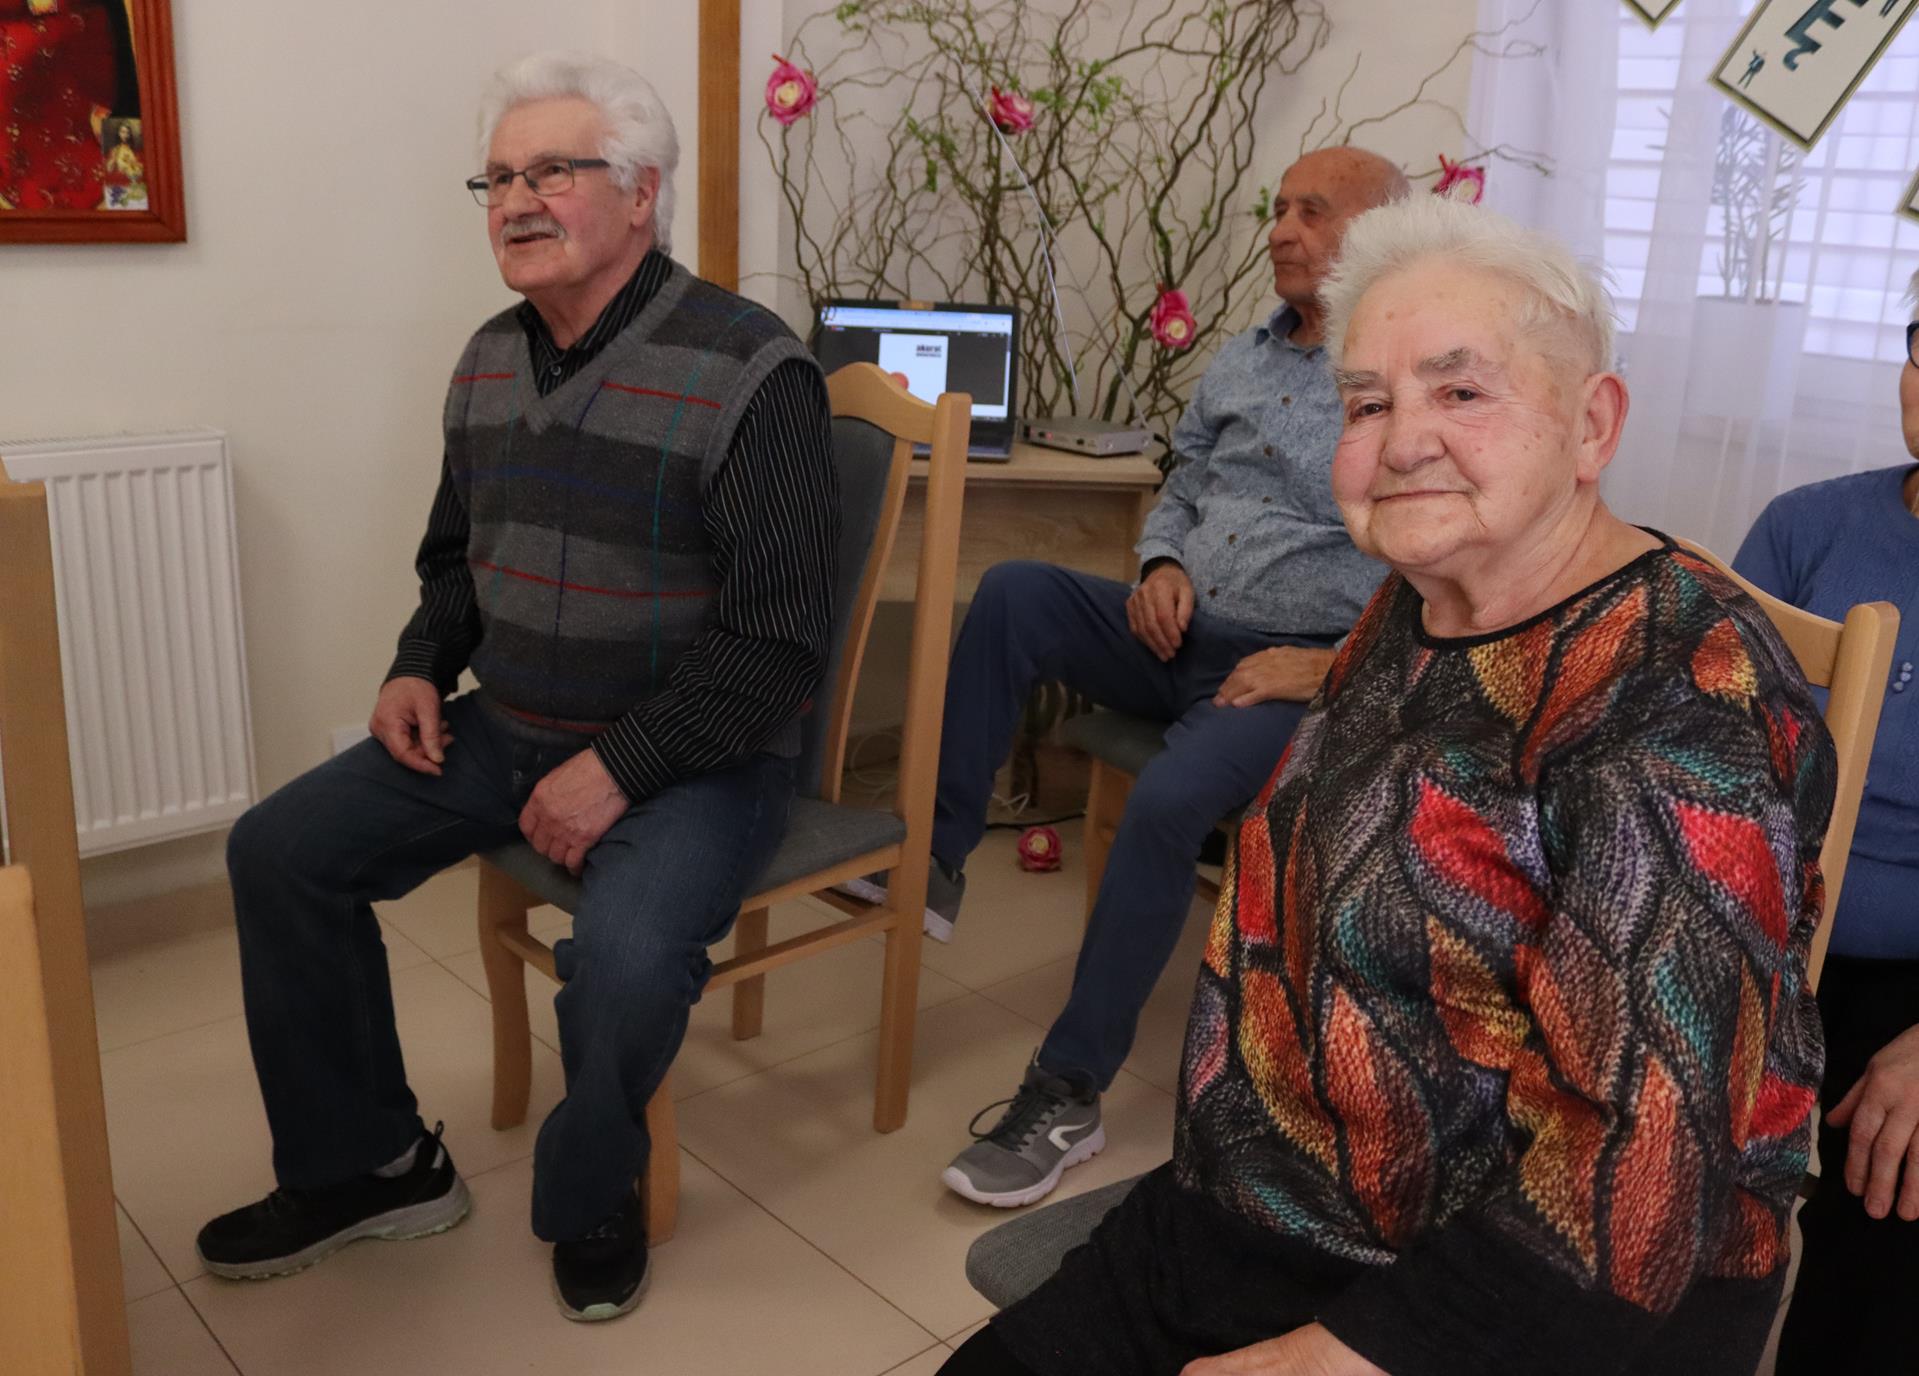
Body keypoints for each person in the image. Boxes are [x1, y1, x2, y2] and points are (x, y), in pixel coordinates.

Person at [941, 196, 1834, 1376]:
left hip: (1518, 1301)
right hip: (1260, 1209)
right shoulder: (1416, 605)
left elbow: (1644, 1169)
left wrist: (1344, 1353)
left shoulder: (1683, 696)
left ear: (1590, 424)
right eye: (1366, 403)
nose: (1402, 441)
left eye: (1459, 391)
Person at [194, 52, 837, 1322]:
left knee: (628, 956)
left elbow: (777, 642)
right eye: (496, 178)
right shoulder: (489, 358)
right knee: (279, 851)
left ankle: (593, 1190)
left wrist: (620, 767)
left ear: (641, 193)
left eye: (551, 170)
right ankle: (372, 1165)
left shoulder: (749, 369)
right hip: (511, 725)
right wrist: (417, 664)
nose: (515, 200)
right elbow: (457, 559)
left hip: (697, 754)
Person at [851, 146, 1408, 1209]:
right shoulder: (1240, 359)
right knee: (1013, 590)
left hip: (1288, 672)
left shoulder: (1401, 380)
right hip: (1178, 631)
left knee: (1163, 799)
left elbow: (1445, 573)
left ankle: (1067, 1092)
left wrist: (1330, 665)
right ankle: (938, 861)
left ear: (1383, 233)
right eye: (1278, 208)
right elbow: (1183, 483)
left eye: (1311, 211)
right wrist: (1158, 563)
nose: (1280, 230)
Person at [1740, 274, 1919, 1375]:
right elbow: (1697, 753)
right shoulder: (1806, 524)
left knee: (1892, 1192)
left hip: (1909, 988)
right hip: (1754, 932)